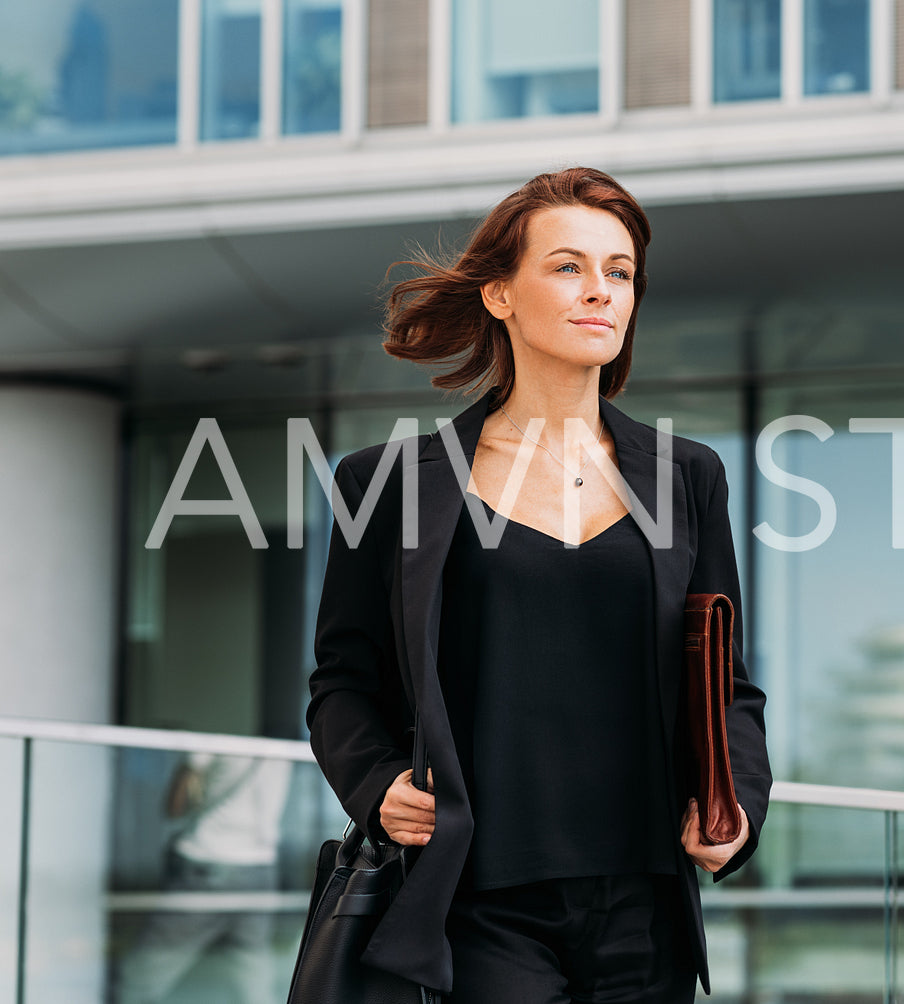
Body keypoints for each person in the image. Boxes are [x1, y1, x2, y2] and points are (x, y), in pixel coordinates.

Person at [306, 166, 772, 1002]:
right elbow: (342, 682)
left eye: (619, 272)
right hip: (478, 901)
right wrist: (376, 785)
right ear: (499, 296)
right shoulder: (390, 483)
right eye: (567, 267)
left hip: (647, 900)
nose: (600, 291)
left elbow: (728, 685)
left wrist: (735, 804)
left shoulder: (685, 477)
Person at [116, 753, 293, 1004]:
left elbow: (174, 807)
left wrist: (188, 764)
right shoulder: (281, 749)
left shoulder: (211, 742)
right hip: (261, 868)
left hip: (208, 862)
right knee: (252, 981)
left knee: (141, 977)